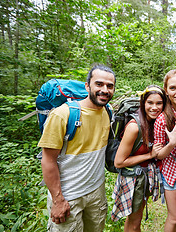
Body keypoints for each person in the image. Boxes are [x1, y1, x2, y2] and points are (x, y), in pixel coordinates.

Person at [38, 64, 116, 231]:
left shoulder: (107, 112)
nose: (105, 90)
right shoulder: (62, 114)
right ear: (87, 86)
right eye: (99, 84)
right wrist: (58, 200)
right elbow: (48, 160)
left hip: (96, 193)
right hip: (69, 197)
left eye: (110, 86)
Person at [111, 85, 167, 231]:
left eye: (159, 103)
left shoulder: (154, 122)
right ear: (143, 103)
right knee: (134, 220)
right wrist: (150, 155)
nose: (154, 107)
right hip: (133, 179)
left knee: (137, 217)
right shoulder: (134, 127)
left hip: (143, 176)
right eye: (150, 103)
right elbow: (119, 162)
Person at [154, 69, 176, 232]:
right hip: (172, 172)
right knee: (175, 216)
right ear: (166, 91)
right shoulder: (163, 119)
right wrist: (172, 143)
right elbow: (158, 154)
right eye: (173, 88)